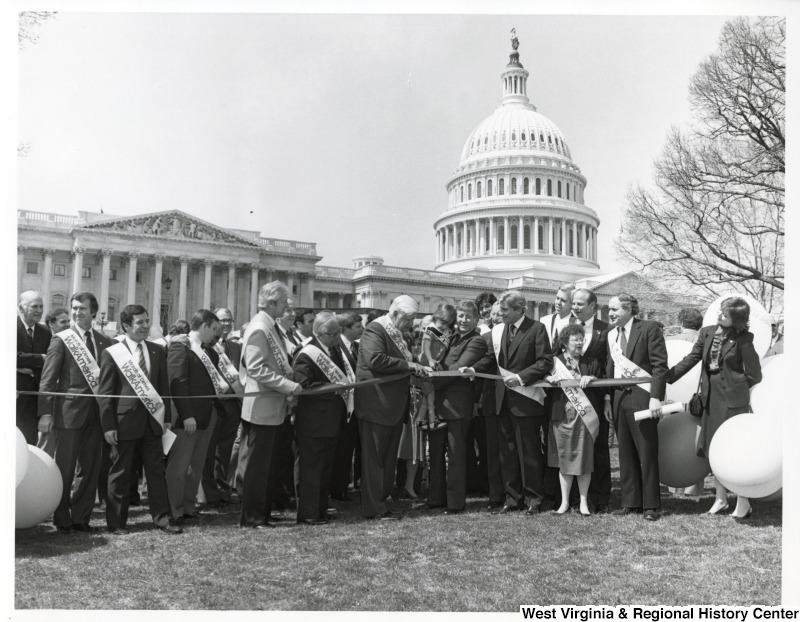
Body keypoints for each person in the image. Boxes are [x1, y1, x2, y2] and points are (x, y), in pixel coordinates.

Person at [664, 297, 762, 518]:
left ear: (736, 320)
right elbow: (692, 358)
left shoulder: (744, 338)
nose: (719, 315)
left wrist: (736, 385)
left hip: (733, 403)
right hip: (710, 399)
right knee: (713, 449)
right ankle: (720, 499)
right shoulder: (707, 332)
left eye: (725, 314)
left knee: (734, 451)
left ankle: (743, 501)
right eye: (720, 311)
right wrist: (666, 377)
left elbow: (755, 374)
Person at [97, 304, 181, 534]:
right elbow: (105, 393)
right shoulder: (113, 352)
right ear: (126, 326)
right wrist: (108, 426)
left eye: (147, 321)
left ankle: (162, 518)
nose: (145, 326)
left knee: (155, 471)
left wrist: (166, 418)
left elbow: (163, 386)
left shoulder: (156, 349)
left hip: (153, 421)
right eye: (140, 322)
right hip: (124, 423)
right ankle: (116, 522)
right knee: (121, 472)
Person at [468, 290, 553, 514]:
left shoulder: (536, 329)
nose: (500, 314)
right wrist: (473, 368)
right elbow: (489, 358)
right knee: (506, 452)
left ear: (519, 309)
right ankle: (512, 498)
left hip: (526, 399)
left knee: (529, 452)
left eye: (505, 310)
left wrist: (522, 377)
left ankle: (533, 499)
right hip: (502, 400)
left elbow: (545, 361)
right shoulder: (498, 331)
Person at [37, 292, 113, 533]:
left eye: (82, 308)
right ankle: (62, 519)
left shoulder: (104, 341)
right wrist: (46, 412)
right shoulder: (62, 339)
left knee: (90, 468)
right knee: (65, 468)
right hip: (68, 412)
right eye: (74, 308)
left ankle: (81, 518)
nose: (77, 312)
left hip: (96, 413)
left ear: (94, 311)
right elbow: (47, 379)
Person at [355, 295, 431, 520]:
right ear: (395, 314)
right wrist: (409, 365)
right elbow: (375, 360)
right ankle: (373, 508)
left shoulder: (398, 333)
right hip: (376, 405)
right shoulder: (375, 329)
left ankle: (382, 502)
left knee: (387, 460)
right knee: (374, 460)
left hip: (392, 406)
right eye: (409, 319)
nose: (411, 323)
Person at [238, 281, 302, 529]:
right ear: (272, 302)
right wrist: (288, 386)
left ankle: (261, 513)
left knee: (268, 466)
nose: (287, 306)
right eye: (284, 302)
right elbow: (255, 368)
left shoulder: (269, 325)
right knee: (258, 468)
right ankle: (253, 517)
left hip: (272, 408)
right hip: (261, 408)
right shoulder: (259, 328)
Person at [603, 294, 667, 521]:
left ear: (629, 309)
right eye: (609, 309)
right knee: (625, 451)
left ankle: (650, 505)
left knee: (646, 451)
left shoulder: (648, 328)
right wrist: (608, 400)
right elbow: (610, 369)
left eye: (614, 309)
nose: (610, 313)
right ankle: (631, 501)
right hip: (619, 397)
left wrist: (656, 397)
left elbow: (660, 366)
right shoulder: (610, 335)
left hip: (643, 396)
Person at [292, 312, 353, 525]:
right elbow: (304, 386)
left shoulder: (333, 349)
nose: (336, 336)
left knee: (326, 468)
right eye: (332, 333)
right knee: (311, 469)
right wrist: (333, 390)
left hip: (332, 420)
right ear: (318, 333)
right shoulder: (306, 354)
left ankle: (320, 509)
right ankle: (308, 513)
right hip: (313, 421)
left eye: (338, 332)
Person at [427, 300, 487, 514]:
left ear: (476, 320)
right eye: (460, 316)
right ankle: (435, 498)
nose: (463, 320)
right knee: (435, 453)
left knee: (455, 455)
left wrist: (430, 378)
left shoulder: (477, 341)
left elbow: (458, 369)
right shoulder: (449, 336)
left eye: (468, 317)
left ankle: (454, 502)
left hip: (457, 406)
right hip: (436, 403)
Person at [166, 309, 224, 526]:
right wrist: (187, 414)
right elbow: (177, 382)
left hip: (207, 416)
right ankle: (174, 509)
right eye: (215, 329)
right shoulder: (181, 347)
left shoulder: (211, 352)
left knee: (196, 466)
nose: (217, 335)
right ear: (204, 326)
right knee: (179, 466)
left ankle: (189, 506)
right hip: (186, 418)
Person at [545, 323, 604, 516]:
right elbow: (542, 385)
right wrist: (549, 379)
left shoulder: (592, 362)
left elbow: (603, 385)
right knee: (564, 461)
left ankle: (584, 503)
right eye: (575, 339)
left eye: (582, 339)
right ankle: (564, 503)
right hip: (561, 418)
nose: (580, 343)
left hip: (584, 418)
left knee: (584, 460)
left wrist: (592, 379)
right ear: (565, 342)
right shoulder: (554, 363)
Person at [570, 287, 611, 512]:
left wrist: (606, 398)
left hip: (595, 400)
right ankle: (576, 498)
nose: (575, 307)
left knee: (599, 450)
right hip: (570, 401)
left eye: (580, 304)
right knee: (575, 449)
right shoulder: (566, 328)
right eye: (573, 303)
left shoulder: (606, 330)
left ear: (593, 306)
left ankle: (601, 498)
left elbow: (608, 366)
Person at [201, 307, 243, 506]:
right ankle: (207, 491)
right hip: (214, 405)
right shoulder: (206, 345)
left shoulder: (236, 346)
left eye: (229, 320)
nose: (226, 324)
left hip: (232, 405)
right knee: (208, 450)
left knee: (225, 450)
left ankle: (222, 487)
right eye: (222, 320)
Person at [330, 312, 364, 501]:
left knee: (347, 447)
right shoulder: (336, 346)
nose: (362, 329)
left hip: (353, 405)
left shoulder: (357, 347)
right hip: (339, 405)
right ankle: (335, 487)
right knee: (338, 448)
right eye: (358, 327)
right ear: (345, 329)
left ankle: (342, 486)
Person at [475, 302, 505, 509]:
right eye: (492, 314)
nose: (495, 317)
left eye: (499, 313)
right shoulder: (485, 339)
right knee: (492, 451)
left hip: (514, 399)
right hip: (490, 400)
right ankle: (495, 495)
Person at [17, 290, 52, 445]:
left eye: (41, 306)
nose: (39, 311)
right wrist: (40, 358)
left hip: (34, 401)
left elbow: (50, 362)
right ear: (21, 308)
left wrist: (21, 364)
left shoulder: (45, 331)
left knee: (30, 443)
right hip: (13, 398)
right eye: (34, 307)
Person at [413, 305, 455, 431]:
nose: (444, 326)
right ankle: (431, 421)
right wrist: (430, 360)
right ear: (436, 317)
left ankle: (421, 421)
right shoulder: (430, 330)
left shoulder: (447, 332)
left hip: (435, 368)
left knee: (428, 398)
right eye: (442, 322)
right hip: (427, 366)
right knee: (430, 398)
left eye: (447, 323)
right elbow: (425, 347)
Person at [539, 285, 575, 355]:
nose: (558, 303)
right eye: (557, 298)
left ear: (572, 304)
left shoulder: (576, 323)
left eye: (563, 300)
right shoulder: (544, 321)